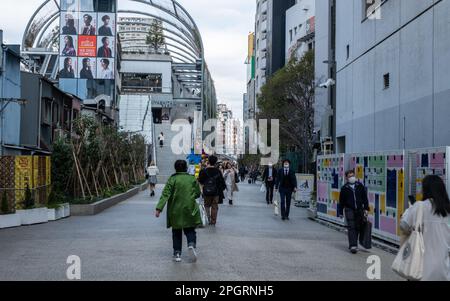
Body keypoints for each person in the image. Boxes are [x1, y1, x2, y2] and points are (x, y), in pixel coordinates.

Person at [400, 175, 450, 281]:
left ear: (426, 190)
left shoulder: (420, 206)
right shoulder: (447, 211)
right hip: (443, 269)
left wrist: (410, 210)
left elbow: (404, 226)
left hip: (420, 268)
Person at [156, 160, 201, 263]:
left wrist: (159, 208)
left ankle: (177, 254)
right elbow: (197, 193)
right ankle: (191, 244)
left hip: (175, 210)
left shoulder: (172, 179)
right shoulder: (192, 179)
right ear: (186, 168)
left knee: (176, 231)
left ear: (175, 168)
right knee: (190, 229)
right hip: (189, 208)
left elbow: (165, 194)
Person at [338, 170, 369, 254]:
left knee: (358, 226)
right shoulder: (344, 188)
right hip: (349, 209)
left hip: (359, 209)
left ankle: (355, 243)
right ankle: (353, 245)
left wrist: (366, 208)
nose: (352, 177)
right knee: (351, 226)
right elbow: (341, 201)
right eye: (349, 176)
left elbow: (365, 198)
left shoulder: (360, 186)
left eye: (353, 175)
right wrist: (340, 212)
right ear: (346, 178)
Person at [198, 155, 226, 226]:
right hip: (216, 192)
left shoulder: (203, 171)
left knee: (206, 205)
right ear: (215, 162)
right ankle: (213, 221)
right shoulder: (218, 171)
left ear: (208, 161)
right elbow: (222, 183)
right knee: (214, 206)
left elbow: (200, 181)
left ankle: (208, 219)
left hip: (206, 191)